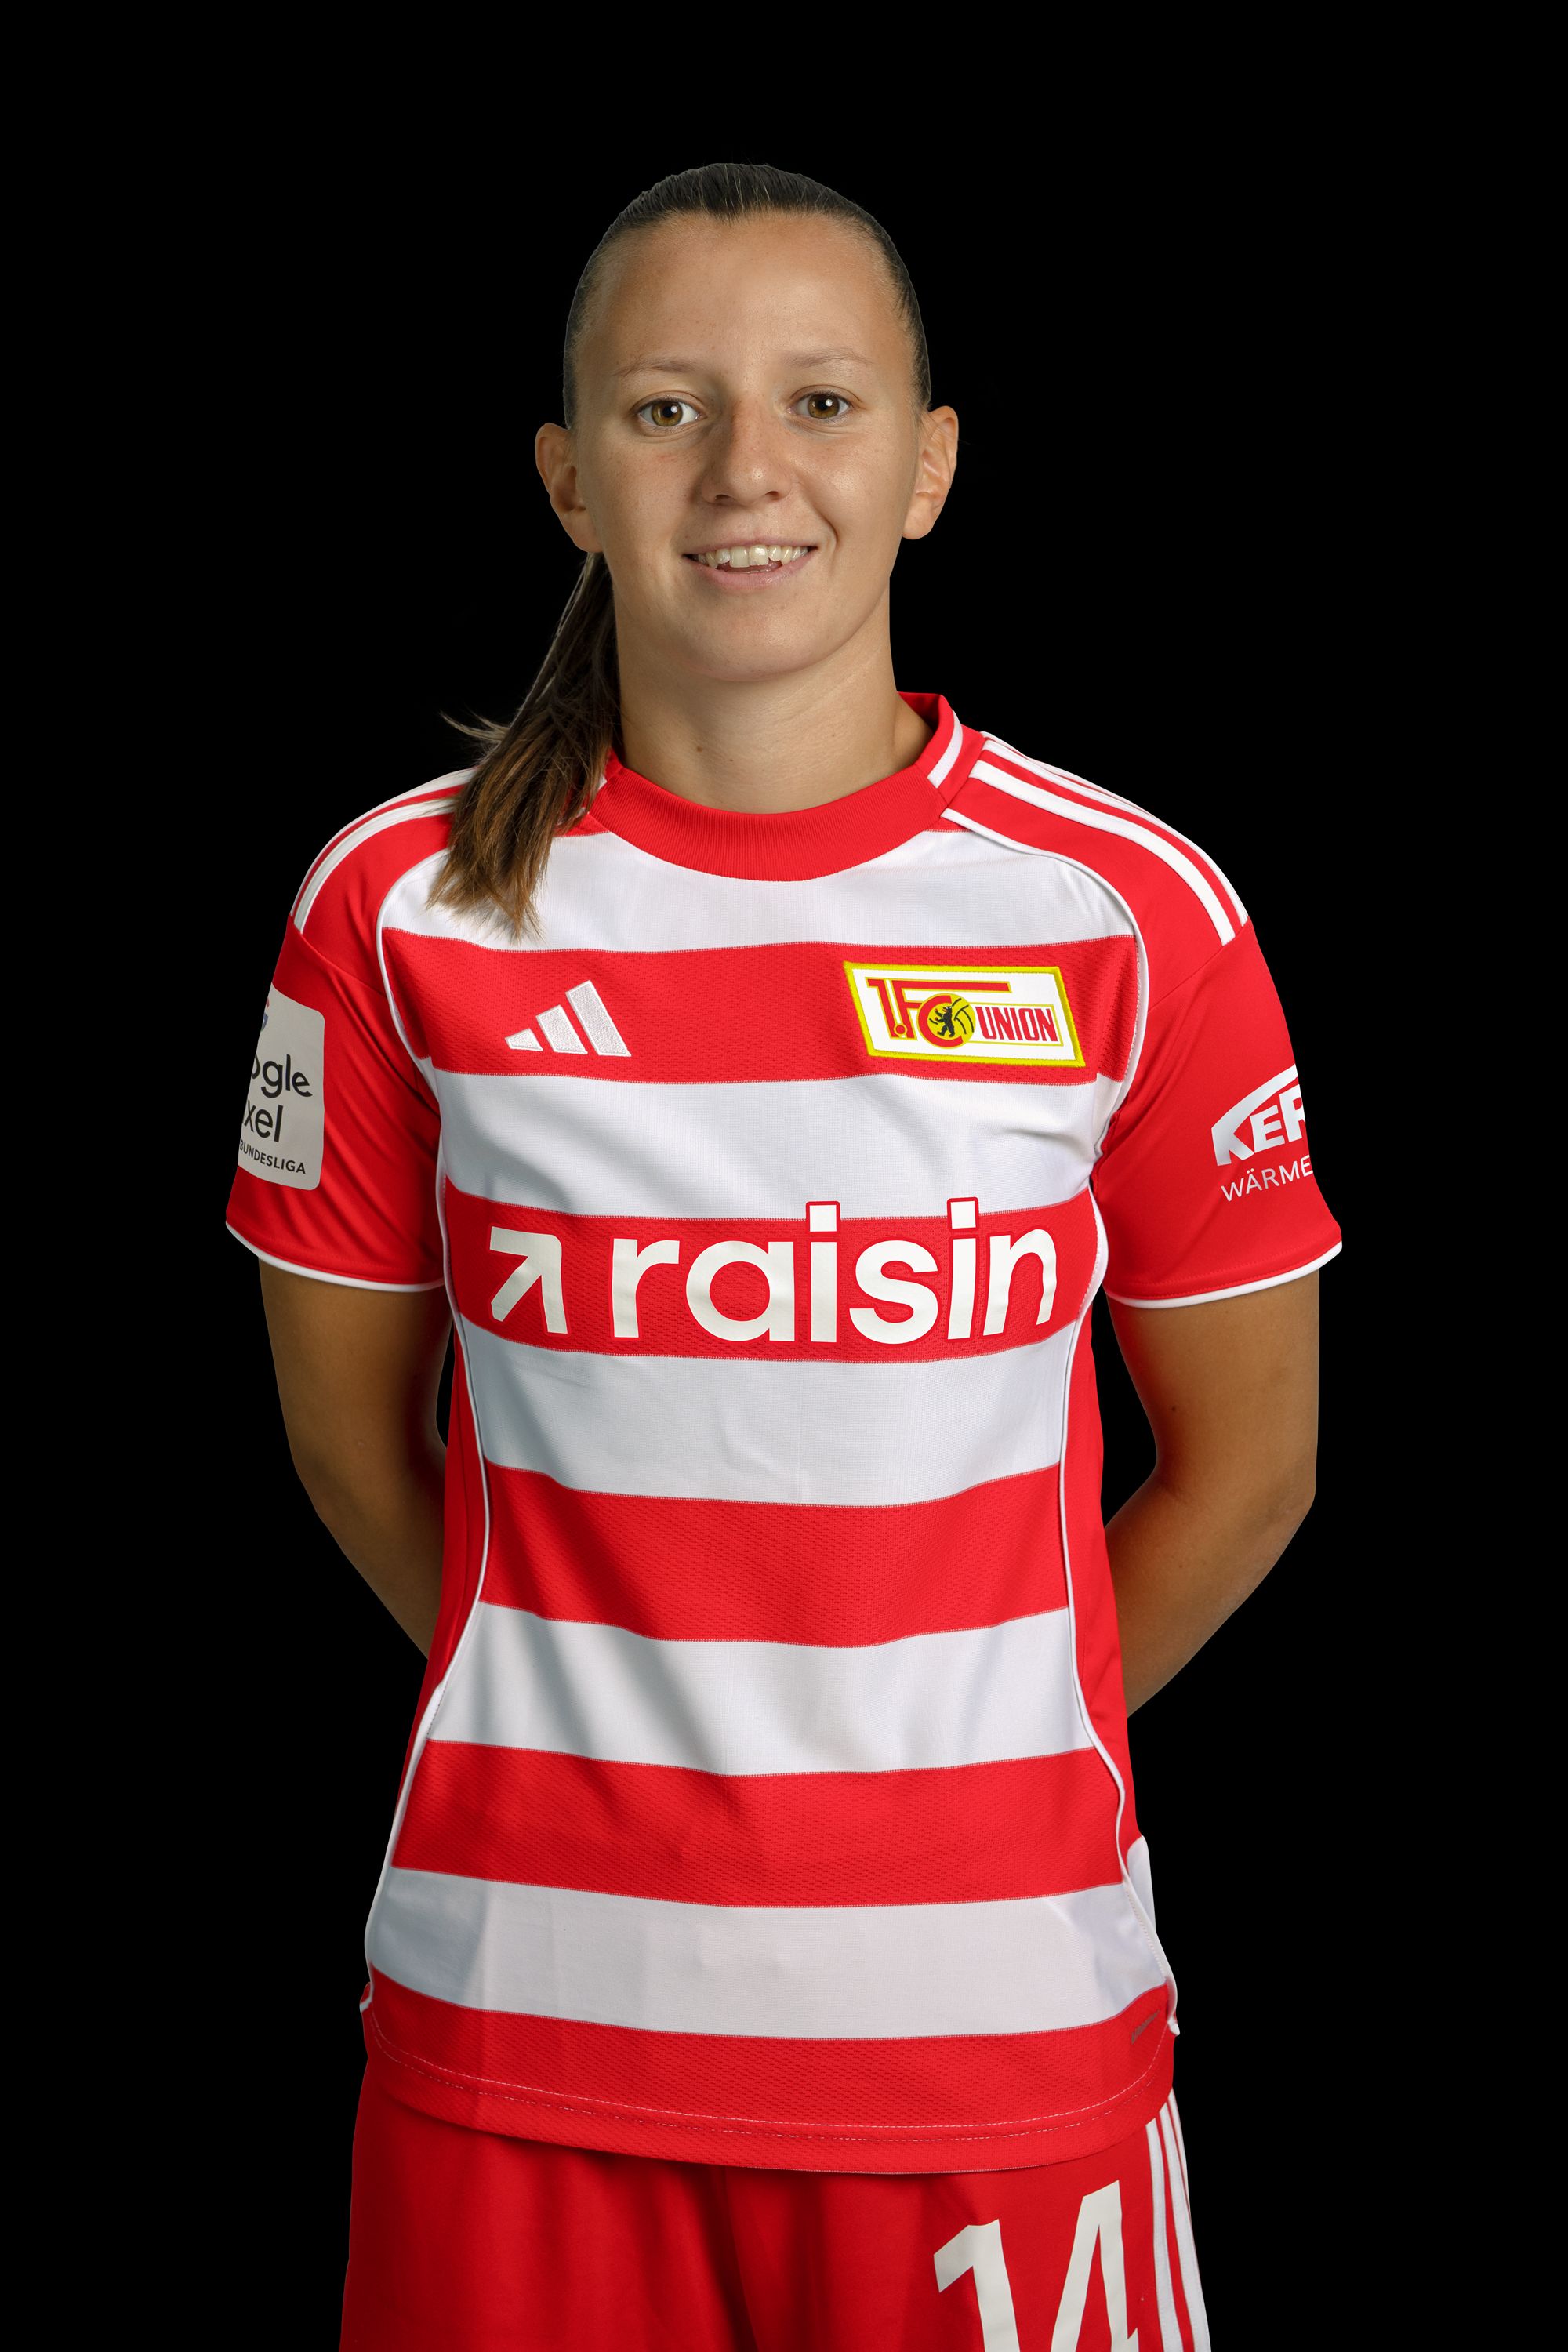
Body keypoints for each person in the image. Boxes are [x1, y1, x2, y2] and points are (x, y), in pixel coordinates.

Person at [228, 161, 1340, 2350]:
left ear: (930, 468)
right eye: (668, 409)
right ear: (568, 478)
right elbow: (357, 1454)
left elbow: (1253, 1468)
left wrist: (959, 1766)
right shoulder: (393, 913)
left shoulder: (1131, 913)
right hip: (521, 2030)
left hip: (994, 2035)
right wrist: (610, 1753)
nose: (748, 468)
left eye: (823, 403)